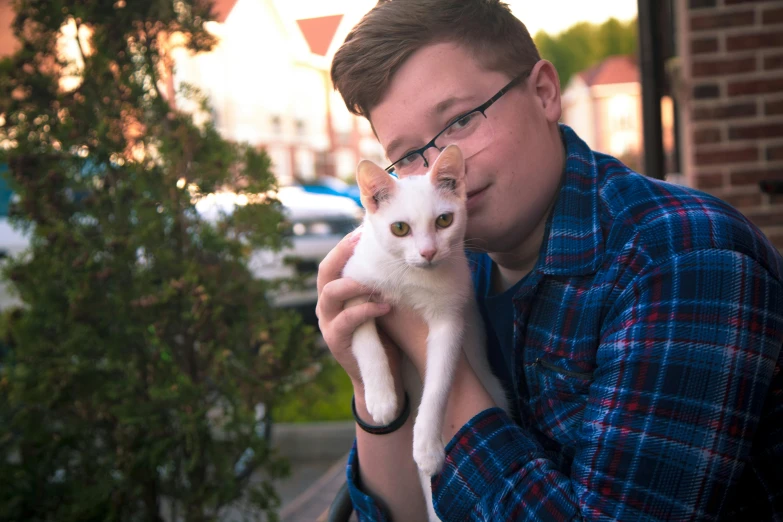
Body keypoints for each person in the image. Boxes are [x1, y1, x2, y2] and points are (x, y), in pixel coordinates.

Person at [315, 1, 783, 520]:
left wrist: (427, 345)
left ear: (544, 93)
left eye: (461, 121)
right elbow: (398, 513)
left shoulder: (682, 258)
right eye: (405, 157)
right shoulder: (455, 264)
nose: (437, 173)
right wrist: (374, 382)